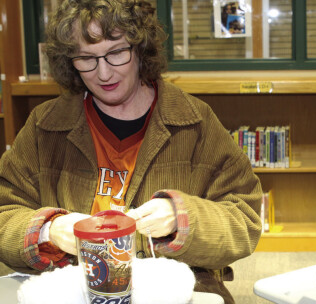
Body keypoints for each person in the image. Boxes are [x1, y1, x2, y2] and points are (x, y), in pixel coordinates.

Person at [0, 0, 262, 303]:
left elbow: (245, 221)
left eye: (116, 53)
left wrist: (181, 218)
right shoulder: (45, 126)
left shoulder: (195, 122)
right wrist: (49, 231)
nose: (103, 73)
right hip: (73, 292)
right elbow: (5, 213)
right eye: (86, 58)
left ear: (141, 49)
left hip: (177, 293)